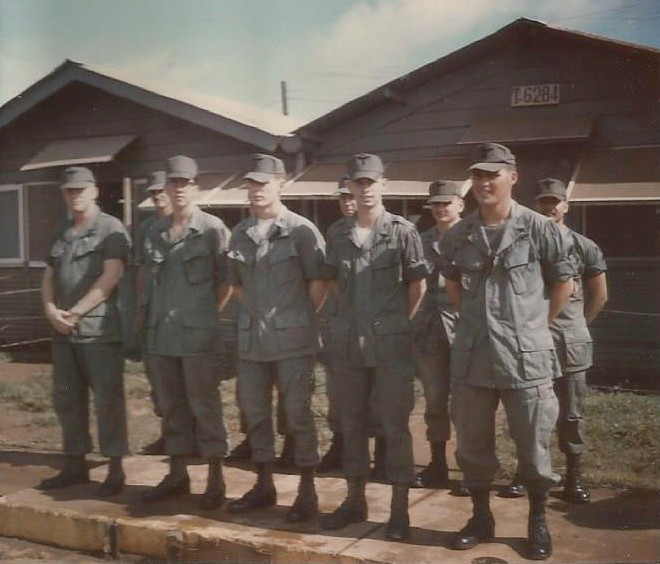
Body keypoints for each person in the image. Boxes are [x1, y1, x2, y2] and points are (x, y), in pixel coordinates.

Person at [440, 143, 575, 560]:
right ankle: (481, 518)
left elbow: (564, 284)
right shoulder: (459, 234)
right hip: (474, 357)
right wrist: (476, 326)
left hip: (525, 358)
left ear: (512, 177)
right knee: (472, 446)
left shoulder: (541, 229)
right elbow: (452, 285)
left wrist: (533, 326)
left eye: (492, 175)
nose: (484, 183)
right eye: (477, 176)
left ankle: (537, 520)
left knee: (533, 446)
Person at [320, 153, 427, 541]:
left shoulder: (403, 231)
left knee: (395, 426)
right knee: (351, 425)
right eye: (358, 183)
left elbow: (417, 286)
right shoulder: (337, 233)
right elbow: (332, 281)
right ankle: (355, 500)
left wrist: (393, 323)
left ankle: (399, 510)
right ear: (349, 187)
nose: (365, 189)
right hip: (349, 345)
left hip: (390, 346)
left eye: (371, 182)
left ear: (384, 184)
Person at [226, 154, 326, 523]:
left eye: (263, 183)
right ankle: (264, 484)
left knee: (298, 414)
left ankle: (307, 490)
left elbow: (318, 284)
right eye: (251, 184)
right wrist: (260, 315)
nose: (256, 191)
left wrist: (292, 318)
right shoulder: (240, 233)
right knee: (255, 414)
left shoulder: (301, 230)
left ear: (281, 184)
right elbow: (236, 285)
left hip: (294, 343)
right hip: (253, 342)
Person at [140, 155, 231, 510]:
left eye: (185, 183)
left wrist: (204, 314)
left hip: (197, 337)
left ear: (195, 188)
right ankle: (177, 475)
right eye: (173, 183)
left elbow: (226, 282)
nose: (178, 189)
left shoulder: (212, 229)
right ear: (165, 187)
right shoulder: (153, 231)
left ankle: (215, 478)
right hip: (162, 335)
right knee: (171, 406)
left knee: (204, 406)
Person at [39, 166, 130, 497]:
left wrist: (76, 312)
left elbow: (111, 278)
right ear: (63, 194)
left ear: (94, 191)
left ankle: (115, 467)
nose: (75, 195)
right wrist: (51, 310)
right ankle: (75, 463)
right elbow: (49, 275)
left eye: (81, 189)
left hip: (98, 333)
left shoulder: (111, 229)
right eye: (69, 190)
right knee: (67, 397)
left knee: (107, 400)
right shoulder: (61, 231)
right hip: (64, 334)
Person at [411, 180, 463, 489]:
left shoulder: (473, 237)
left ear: (460, 204)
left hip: (464, 331)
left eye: (447, 203)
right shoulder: (421, 241)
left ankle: (470, 468)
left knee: (468, 404)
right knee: (434, 402)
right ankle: (438, 464)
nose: (441, 208)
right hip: (429, 332)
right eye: (436, 204)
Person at [317, 177, 356, 473]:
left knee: (378, 392)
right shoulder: (335, 232)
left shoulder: (391, 229)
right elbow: (329, 275)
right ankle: (340, 444)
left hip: (375, 322)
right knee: (338, 388)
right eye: (343, 197)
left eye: (351, 196)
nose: (348, 202)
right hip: (341, 320)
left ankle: (381, 450)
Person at [134, 171, 172, 455]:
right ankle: (169, 433)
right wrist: (139, 308)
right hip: (152, 313)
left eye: (162, 191)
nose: (158, 196)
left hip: (180, 315)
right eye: (153, 193)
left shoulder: (191, 225)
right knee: (157, 376)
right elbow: (141, 271)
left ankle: (194, 435)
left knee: (189, 380)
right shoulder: (146, 228)